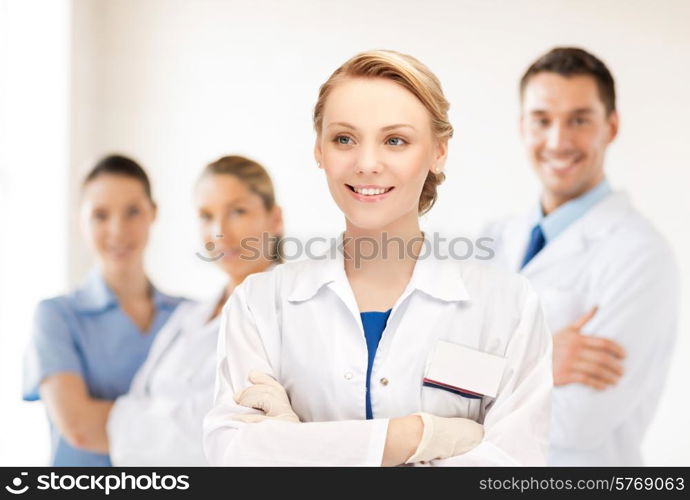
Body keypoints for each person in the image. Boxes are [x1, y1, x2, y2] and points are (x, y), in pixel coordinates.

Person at [203, 50, 553, 467]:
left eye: (395, 141)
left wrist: (301, 447)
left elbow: (510, 469)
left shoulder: (506, 306)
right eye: (344, 139)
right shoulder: (259, 305)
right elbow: (235, 458)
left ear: (438, 152)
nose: (367, 163)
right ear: (319, 149)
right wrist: (418, 436)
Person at [481, 47, 679, 466]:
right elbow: (423, 381)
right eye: (542, 120)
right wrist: (540, 358)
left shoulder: (640, 255)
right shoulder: (494, 238)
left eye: (579, 120)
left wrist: (473, 371)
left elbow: (577, 423)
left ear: (612, 126)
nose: (558, 141)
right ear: (522, 126)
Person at [106, 155, 283, 465]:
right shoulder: (187, 316)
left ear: (274, 219)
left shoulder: (288, 316)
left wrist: (140, 423)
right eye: (206, 215)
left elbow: (226, 435)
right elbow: (132, 405)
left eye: (237, 211)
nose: (219, 232)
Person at [23, 155, 184, 466]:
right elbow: (79, 428)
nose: (118, 231)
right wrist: (183, 422)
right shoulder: (56, 317)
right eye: (100, 215)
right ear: (80, 221)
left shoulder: (189, 317)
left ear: (154, 213)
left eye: (133, 212)